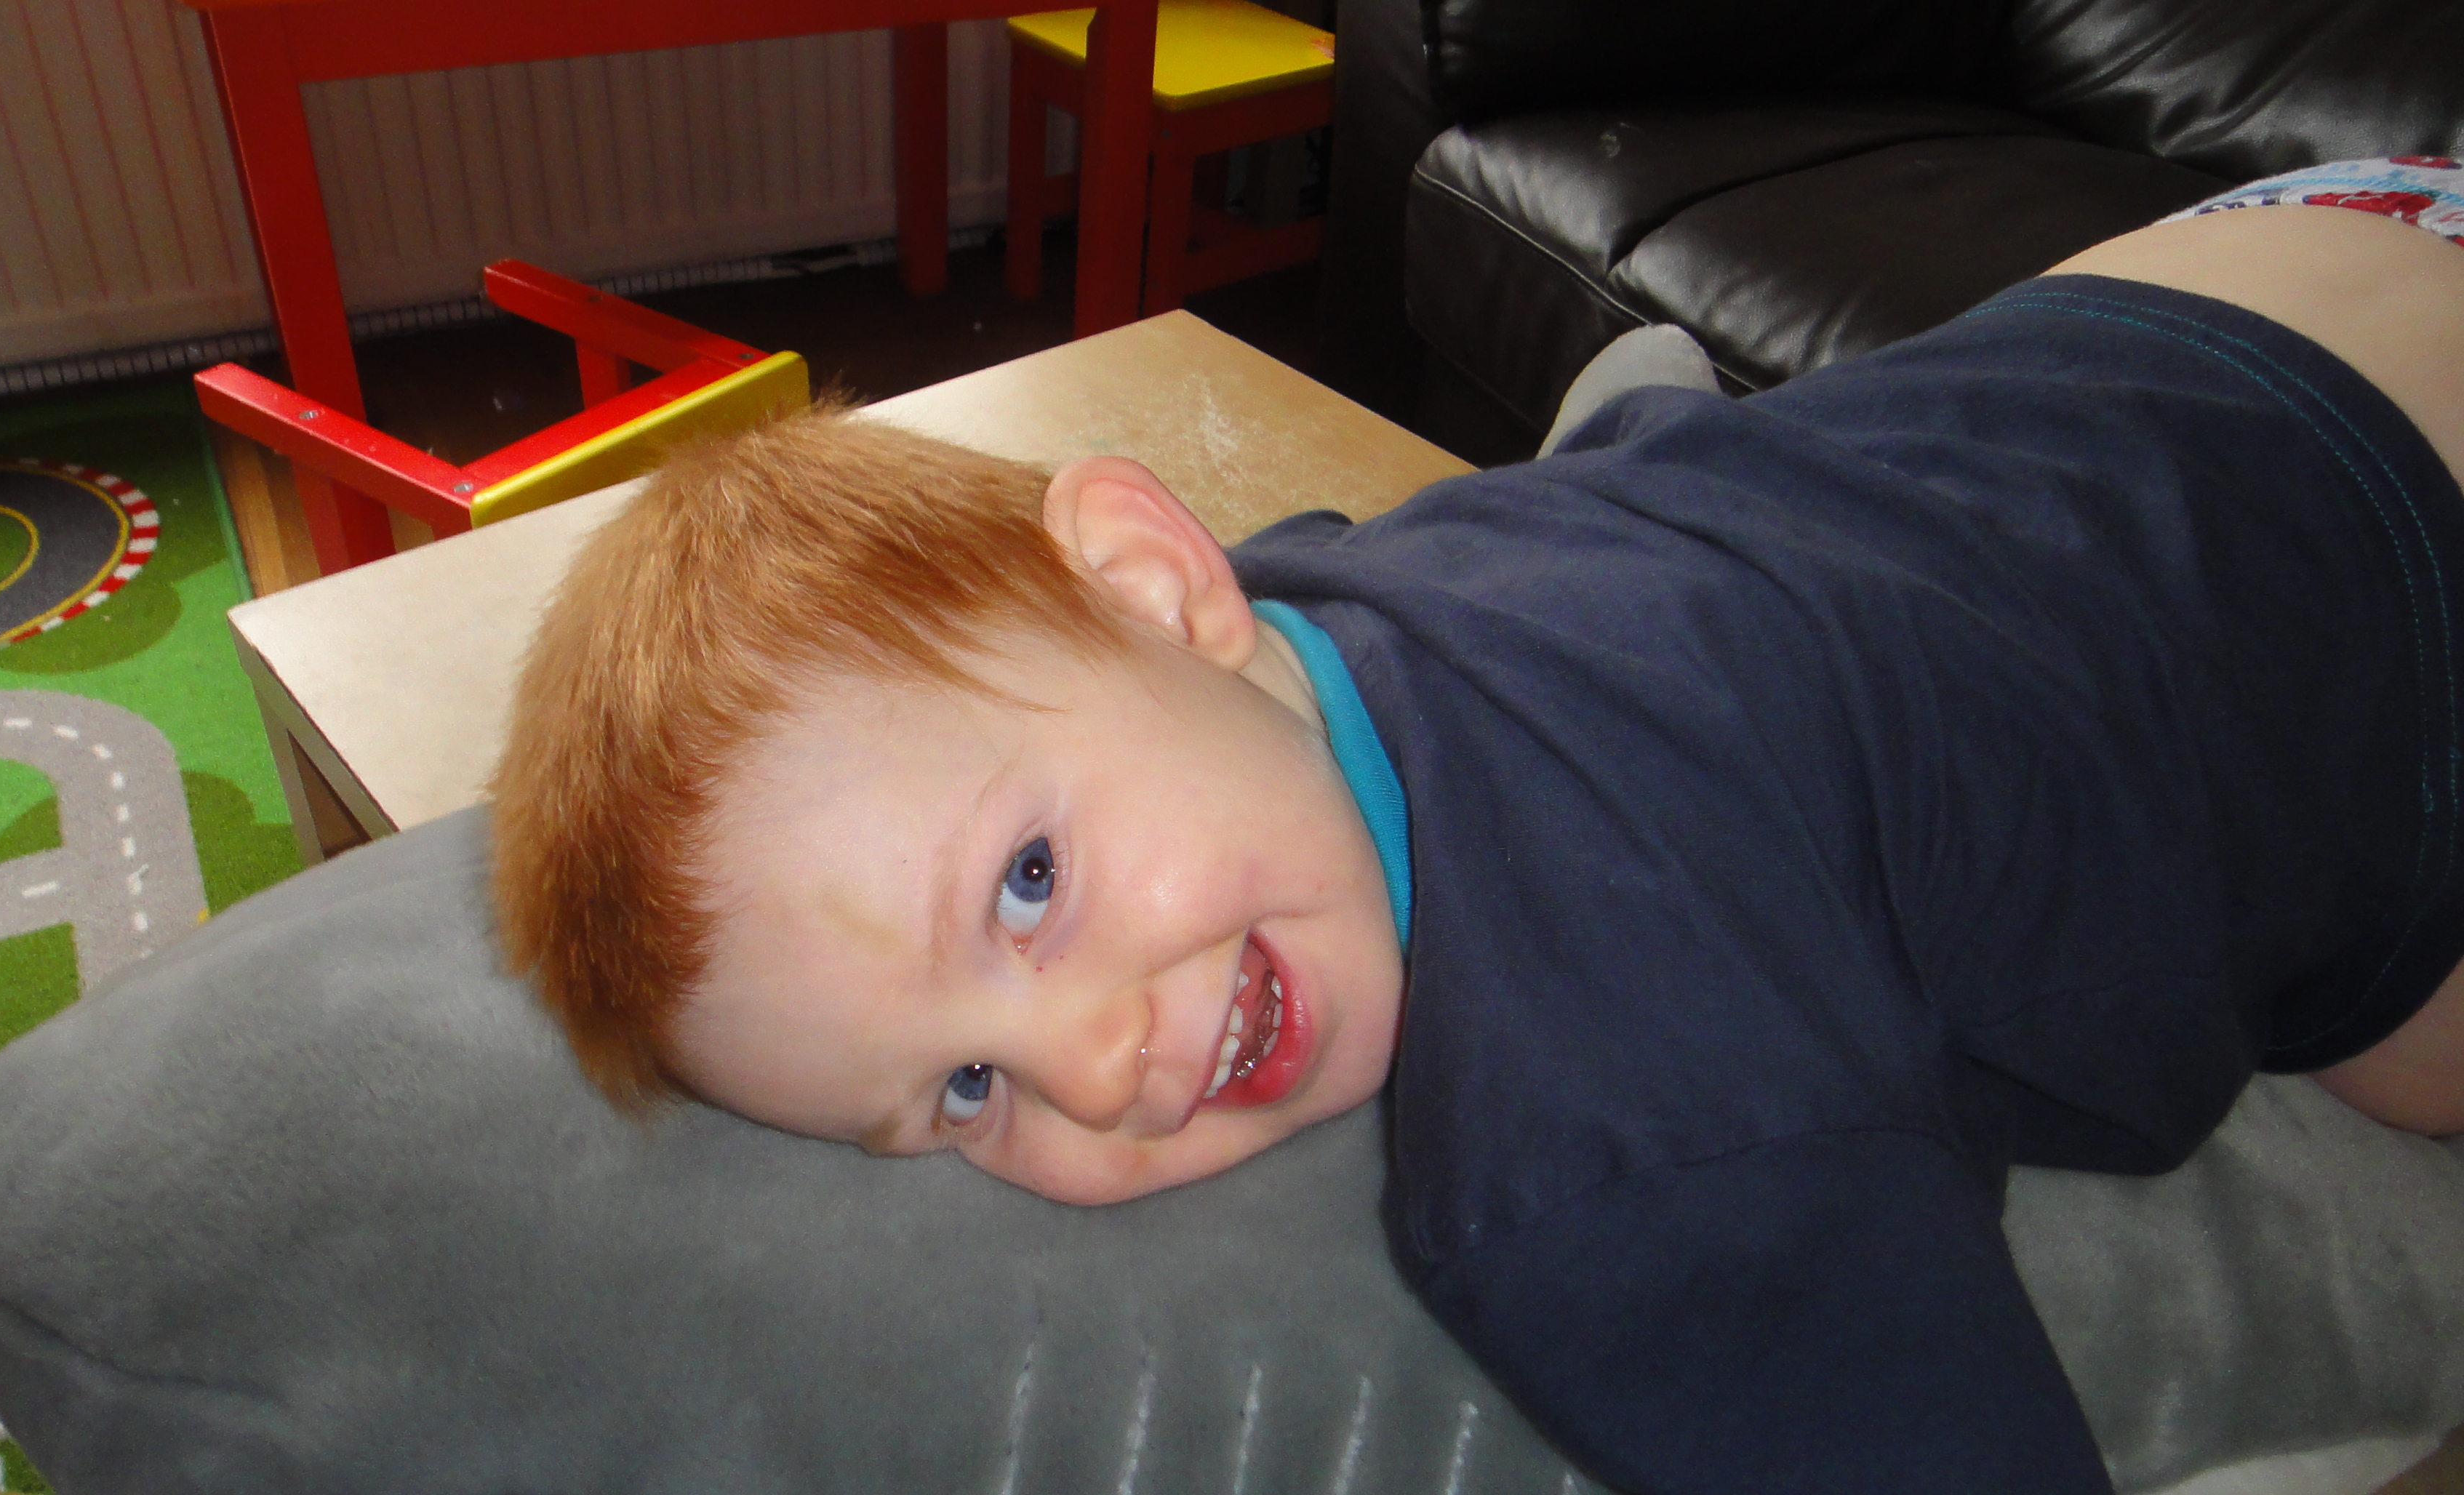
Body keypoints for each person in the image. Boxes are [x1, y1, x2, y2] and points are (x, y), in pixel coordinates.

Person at [487, 158, 2464, 1494]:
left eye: (1028, 886)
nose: (1100, 1067)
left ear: (1158, 582)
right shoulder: (1300, 604)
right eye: (967, 1093)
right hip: (2226, 269)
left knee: (2400, 1063)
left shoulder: (1604, 1148)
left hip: (2405, 600)